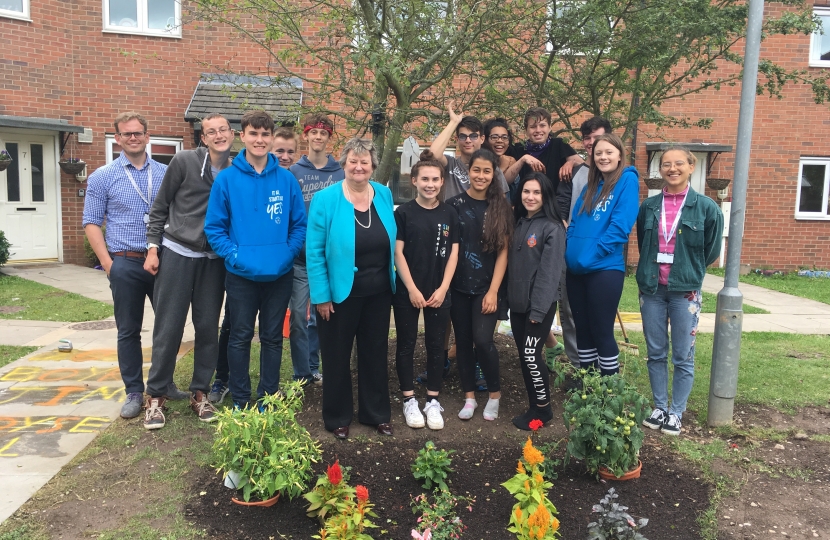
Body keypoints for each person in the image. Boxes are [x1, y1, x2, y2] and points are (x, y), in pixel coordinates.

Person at [204, 110, 307, 410]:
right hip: (241, 274)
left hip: (279, 273)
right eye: (254, 133)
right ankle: (239, 398)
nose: (260, 140)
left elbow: (298, 224)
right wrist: (235, 255)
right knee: (240, 336)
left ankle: (267, 396)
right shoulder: (227, 179)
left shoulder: (286, 180)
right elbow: (214, 228)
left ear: (272, 137)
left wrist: (287, 253)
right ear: (243, 136)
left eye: (265, 134)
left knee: (273, 338)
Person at [141, 113, 233, 429]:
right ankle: (155, 396)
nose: (218, 135)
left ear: (231, 134)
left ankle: (199, 392)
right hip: (177, 252)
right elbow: (159, 207)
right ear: (203, 138)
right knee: (169, 326)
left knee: (208, 327)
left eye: (223, 129)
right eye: (211, 131)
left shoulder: (238, 171)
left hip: (213, 260)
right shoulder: (183, 162)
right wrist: (153, 248)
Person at [82, 111, 170, 421]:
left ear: (148, 136)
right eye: (126, 134)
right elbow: (91, 222)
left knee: (167, 327)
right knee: (129, 330)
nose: (133, 138)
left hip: (162, 261)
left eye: (138, 133)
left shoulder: (164, 172)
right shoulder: (102, 176)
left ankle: (164, 383)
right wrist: (108, 263)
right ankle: (134, 391)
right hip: (125, 262)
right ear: (118, 138)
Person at [306, 138, 397, 439]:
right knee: (336, 358)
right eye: (353, 161)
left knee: (375, 354)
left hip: (379, 294)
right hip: (338, 296)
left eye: (365, 162)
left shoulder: (383, 194)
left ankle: (376, 414)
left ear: (372, 166)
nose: (359, 167)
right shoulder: (326, 199)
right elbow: (315, 252)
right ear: (344, 164)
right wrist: (321, 295)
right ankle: (337, 417)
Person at [637, 147, 723, 436]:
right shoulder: (649, 207)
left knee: (683, 355)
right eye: (665, 165)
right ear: (660, 170)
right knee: (656, 351)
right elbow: (643, 242)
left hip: (685, 291)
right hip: (652, 289)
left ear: (691, 167)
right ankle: (660, 407)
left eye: (678, 164)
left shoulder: (706, 207)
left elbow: (711, 249)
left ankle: (676, 413)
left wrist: (689, 269)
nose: (671, 169)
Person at [446, 148, 513, 421]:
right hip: (458, 287)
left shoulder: (501, 208)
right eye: (477, 170)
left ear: (494, 173)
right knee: (462, 342)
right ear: (468, 172)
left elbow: (504, 253)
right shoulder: (453, 205)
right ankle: (470, 397)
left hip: (487, 288)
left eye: (487, 171)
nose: (481, 176)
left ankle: (494, 396)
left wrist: (494, 291)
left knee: (483, 341)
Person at [565, 133, 639, 376]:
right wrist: (570, 249)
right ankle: (589, 387)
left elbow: (620, 227)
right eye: (598, 153)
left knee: (601, 331)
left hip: (604, 269)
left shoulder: (627, 181)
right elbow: (574, 221)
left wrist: (591, 255)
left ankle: (608, 390)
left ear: (619, 155)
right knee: (582, 331)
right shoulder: (590, 187)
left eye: (609, 152)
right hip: (576, 271)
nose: (603, 157)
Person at [393, 158, 459, 431]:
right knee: (406, 344)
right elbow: (397, 252)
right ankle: (409, 399)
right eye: (425, 179)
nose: (430, 184)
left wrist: (443, 288)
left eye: (435, 179)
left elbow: (454, 252)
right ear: (415, 181)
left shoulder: (449, 213)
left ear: (442, 182)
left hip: (439, 291)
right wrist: (411, 288)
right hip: (408, 289)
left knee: (435, 346)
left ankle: (433, 400)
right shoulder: (404, 213)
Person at [288, 114, 346, 387]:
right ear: (306, 136)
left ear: (329, 137)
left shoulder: (340, 174)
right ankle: (302, 373)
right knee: (300, 317)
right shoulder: (294, 173)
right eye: (314, 133)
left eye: (324, 133)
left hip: (331, 259)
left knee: (325, 316)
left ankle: (319, 367)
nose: (319, 137)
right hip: (300, 259)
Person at [553, 116, 613, 378]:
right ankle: (580, 371)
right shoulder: (574, 172)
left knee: (598, 317)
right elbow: (561, 210)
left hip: (604, 261)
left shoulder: (620, 177)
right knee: (570, 312)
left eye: (597, 138)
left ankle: (603, 374)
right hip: (573, 255)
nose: (591, 144)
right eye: (587, 139)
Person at [508, 172, 566, 430]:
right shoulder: (520, 223)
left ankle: (543, 409)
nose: (530, 197)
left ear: (546, 197)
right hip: (517, 304)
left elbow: (550, 272)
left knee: (532, 355)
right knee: (524, 355)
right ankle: (534, 404)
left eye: (536, 193)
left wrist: (539, 309)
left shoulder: (552, 227)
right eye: (526, 192)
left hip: (538, 306)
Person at [507, 107, 584, 214]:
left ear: (550, 127)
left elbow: (584, 166)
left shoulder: (559, 145)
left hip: (553, 212)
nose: (538, 130)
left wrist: (571, 163)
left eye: (542, 125)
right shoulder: (517, 150)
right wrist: (523, 159)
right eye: (533, 126)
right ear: (526, 130)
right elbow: (505, 181)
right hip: (524, 212)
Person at [429, 100, 510, 200]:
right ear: (457, 140)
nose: (468, 140)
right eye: (463, 136)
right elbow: (433, 154)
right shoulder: (450, 164)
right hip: (452, 215)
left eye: (473, 136)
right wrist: (453, 122)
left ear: (482, 139)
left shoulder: (493, 170)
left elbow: (502, 204)